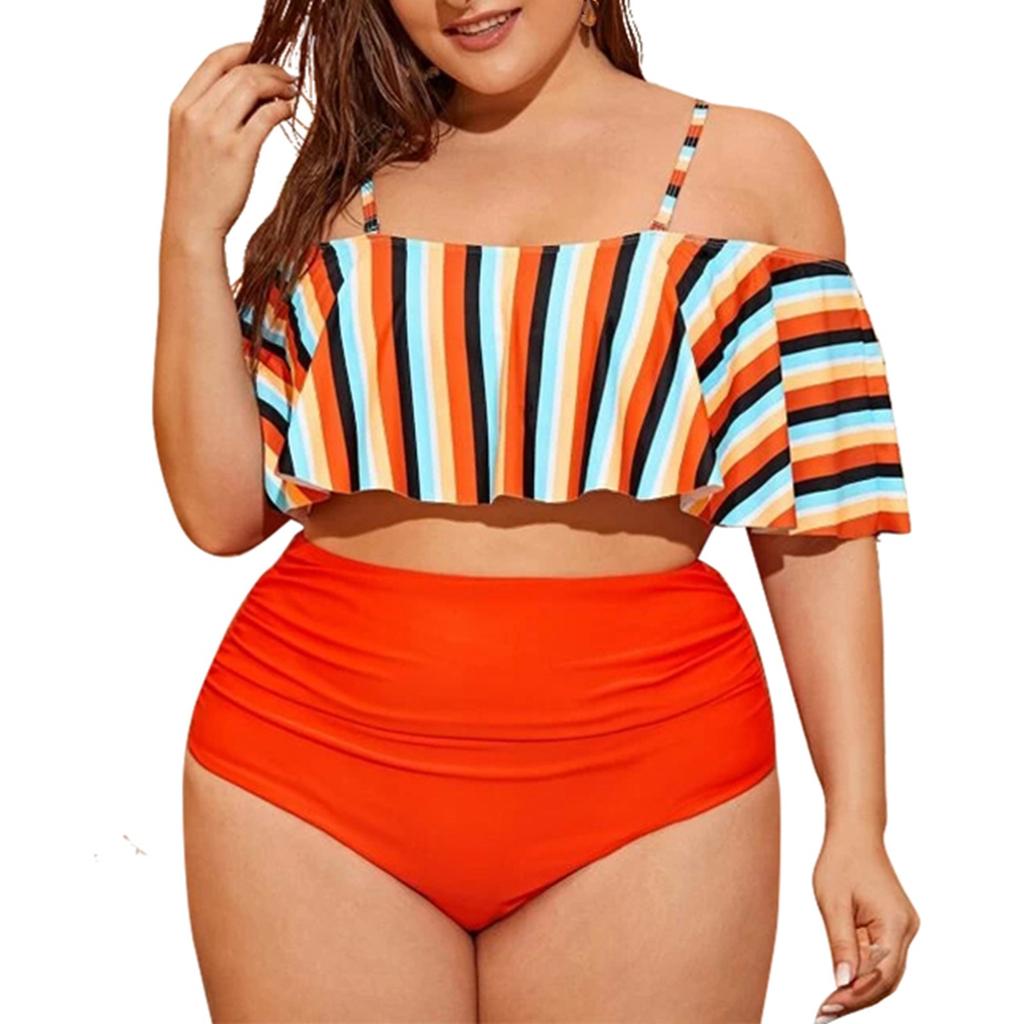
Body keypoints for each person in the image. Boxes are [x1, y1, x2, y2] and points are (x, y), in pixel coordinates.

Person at [153, 1, 921, 1021]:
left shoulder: (752, 169)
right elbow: (219, 514)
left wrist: (857, 819)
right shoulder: (341, 182)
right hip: (306, 767)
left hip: (656, 778)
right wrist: (190, 231)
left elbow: (818, 513)